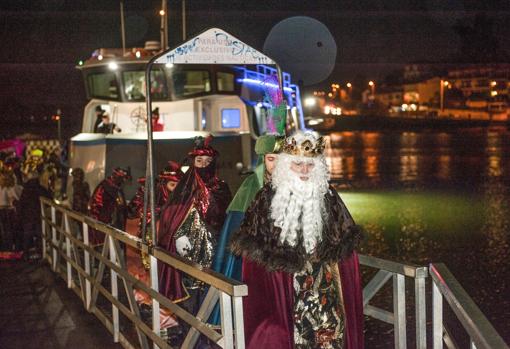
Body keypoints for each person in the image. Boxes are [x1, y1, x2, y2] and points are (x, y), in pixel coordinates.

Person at [230, 131, 364, 349]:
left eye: (310, 165)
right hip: (287, 296)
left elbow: (346, 248)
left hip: (326, 297)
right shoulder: (266, 199)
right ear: (286, 165)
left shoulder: (329, 197)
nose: (304, 171)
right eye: (298, 164)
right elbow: (256, 265)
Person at [158, 136, 232, 312]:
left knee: (211, 298)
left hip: (214, 254)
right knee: (190, 299)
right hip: (187, 254)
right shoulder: (184, 188)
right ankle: (190, 335)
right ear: (193, 162)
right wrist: (178, 235)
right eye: (199, 161)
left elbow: (227, 220)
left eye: (208, 161)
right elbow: (170, 215)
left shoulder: (221, 188)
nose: (204, 165)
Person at [88, 167, 130, 245]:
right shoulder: (105, 186)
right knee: (101, 243)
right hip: (102, 222)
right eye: (123, 178)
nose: (124, 181)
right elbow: (96, 205)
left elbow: (121, 204)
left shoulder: (116, 187)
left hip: (112, 222)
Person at [18, 164, 51, 260]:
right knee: (38, 233)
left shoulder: (30, 184)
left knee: (30, 233)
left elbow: (23, 198)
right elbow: (48, 197)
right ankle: (39, 253)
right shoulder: (39, 185)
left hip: (29, 212)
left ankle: (27, 253)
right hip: (34, 212)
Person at [0, 162, 22, 252]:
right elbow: (17, 196)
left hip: (3, 209)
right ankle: (10, 247)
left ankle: (6, 247)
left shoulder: (5, 186)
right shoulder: (11, 186)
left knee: (5, 230)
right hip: (9, 209)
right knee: (10, 229)